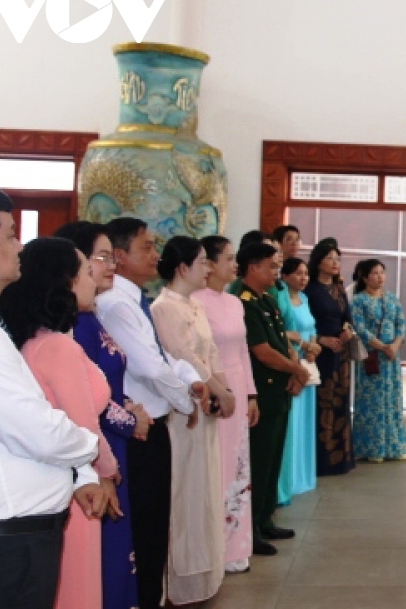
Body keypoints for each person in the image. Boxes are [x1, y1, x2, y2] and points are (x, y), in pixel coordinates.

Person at [0, 182, 105, 609]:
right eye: (11, 235)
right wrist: (87, 446)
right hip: (3, 545)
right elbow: (37, 430)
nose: (19, 247)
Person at [0, 238, 123, 609]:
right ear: (66, 282)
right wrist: (108, 471)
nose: (93, 279)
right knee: (75, 591)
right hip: (75, 484)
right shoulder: (58, 347)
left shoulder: (34, 340)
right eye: (86, 271)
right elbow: (84, 427)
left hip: (59, 481)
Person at [96, 217, 208, 609]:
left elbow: (165, 358)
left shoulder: (135, 299)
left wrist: (190, 384)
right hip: (140, 432)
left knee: (156, 525)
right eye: (146, 247)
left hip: (154, 423)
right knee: (145, 529)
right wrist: (184, 401)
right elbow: (149, 366)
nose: (155, 255)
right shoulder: (115, 304)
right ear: (120, 255)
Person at [54, 221, 146, 609]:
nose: (111, 265)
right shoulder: (71, 324)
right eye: (103, 257)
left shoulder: (92, 315)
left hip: (113, 448)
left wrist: (128, 409)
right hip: (96, 452)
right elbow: (82, 401)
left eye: (112, 256)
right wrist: (128, 418)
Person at [149, 236, 234, 603]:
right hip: (184, 414)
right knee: (185, 492)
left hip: (207, 407)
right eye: (203, 261)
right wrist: (216, 389)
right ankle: (181, 580)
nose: (209, 267)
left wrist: (223, 388)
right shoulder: (164, 307)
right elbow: (182, 357)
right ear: (182, 267)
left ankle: (205, 574)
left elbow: (211, 353)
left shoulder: (194, 306)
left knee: (205, 490)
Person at [236, 242, 310, 555]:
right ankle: (249, 530)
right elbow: (262, 351)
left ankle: (265, 519)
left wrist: (295, 370)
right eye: (271, 266)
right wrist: (296, 369)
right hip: (261, 393)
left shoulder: (267, 299)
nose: (276, 272)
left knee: (273, 459)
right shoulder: (243, 301)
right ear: (253, 266)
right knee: (259, 461)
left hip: (279, 390)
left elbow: (283, 342)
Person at [194, 235, 259, 572]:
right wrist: (219, 390)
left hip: (236, 386)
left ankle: (237, 546)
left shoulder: (235, 302)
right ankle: (214, 547)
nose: (236, 264)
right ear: (209, 265)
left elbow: (243, 352)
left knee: (238, 465)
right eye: (229, 259)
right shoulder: (195, 301)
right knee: (216, 466)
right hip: (214, 392)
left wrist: (250, 394)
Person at [303, 241, 357, 475]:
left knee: (341, 403)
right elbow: (303, 323)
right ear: (318, 262)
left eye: (338, 259)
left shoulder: (339, 288)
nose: (335, 263)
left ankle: (340, 458)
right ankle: (322, 461)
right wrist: (322, 339)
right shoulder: (310, 289)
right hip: (320, 352)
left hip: (341, 353)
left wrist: (347, 331)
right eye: (330, 258)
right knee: (323, 404)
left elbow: (347, 317)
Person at [350, 259, 406, 462]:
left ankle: (396, 446)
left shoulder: (392, 299)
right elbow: (359, 328)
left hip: (392, 358)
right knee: (371, 402)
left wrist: (394, 345)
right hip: (371, 357)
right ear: (365, 277)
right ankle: (371, 448)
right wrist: (382, 346)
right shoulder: (358, 300)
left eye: (382, 272)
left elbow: (401, 324)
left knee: (392, 400)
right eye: (375, 273)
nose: (380, 277)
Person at [277, 257, 321, 502]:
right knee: (292, 421)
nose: (304, 278)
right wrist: (304, 344)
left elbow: (311, 328)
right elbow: (284, 331)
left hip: (308, 362)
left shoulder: (304, 299)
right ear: (285, 276)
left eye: (306, 273)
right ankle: (290, 478)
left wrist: (313, 346)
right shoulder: (281, 299)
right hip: (293, 363)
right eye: (298, 273)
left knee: (305, 420)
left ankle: (304, 475)